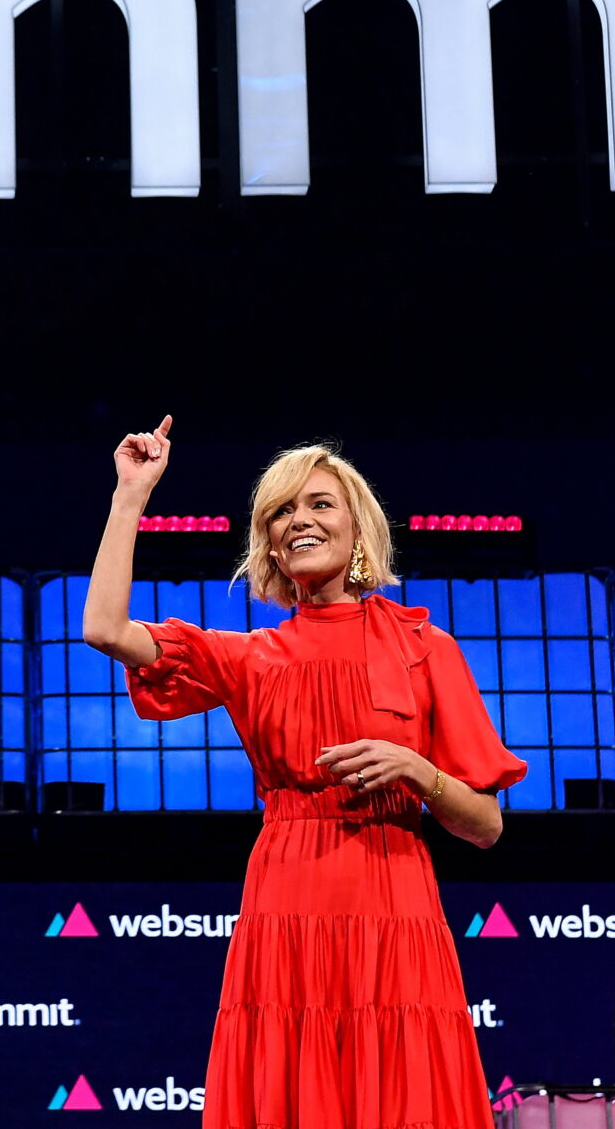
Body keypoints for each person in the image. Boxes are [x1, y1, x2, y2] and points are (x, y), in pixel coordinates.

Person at [83, 416, 525, 1129]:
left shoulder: (425, 646)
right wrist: (130, 495)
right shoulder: (252, 656)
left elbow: (487, 825)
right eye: (281, 511)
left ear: (357, 530)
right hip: (287, 905)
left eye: (320, 503)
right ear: (270, 544)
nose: (299, 520)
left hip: (395, 902)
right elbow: (105, 629)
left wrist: (417, 769)